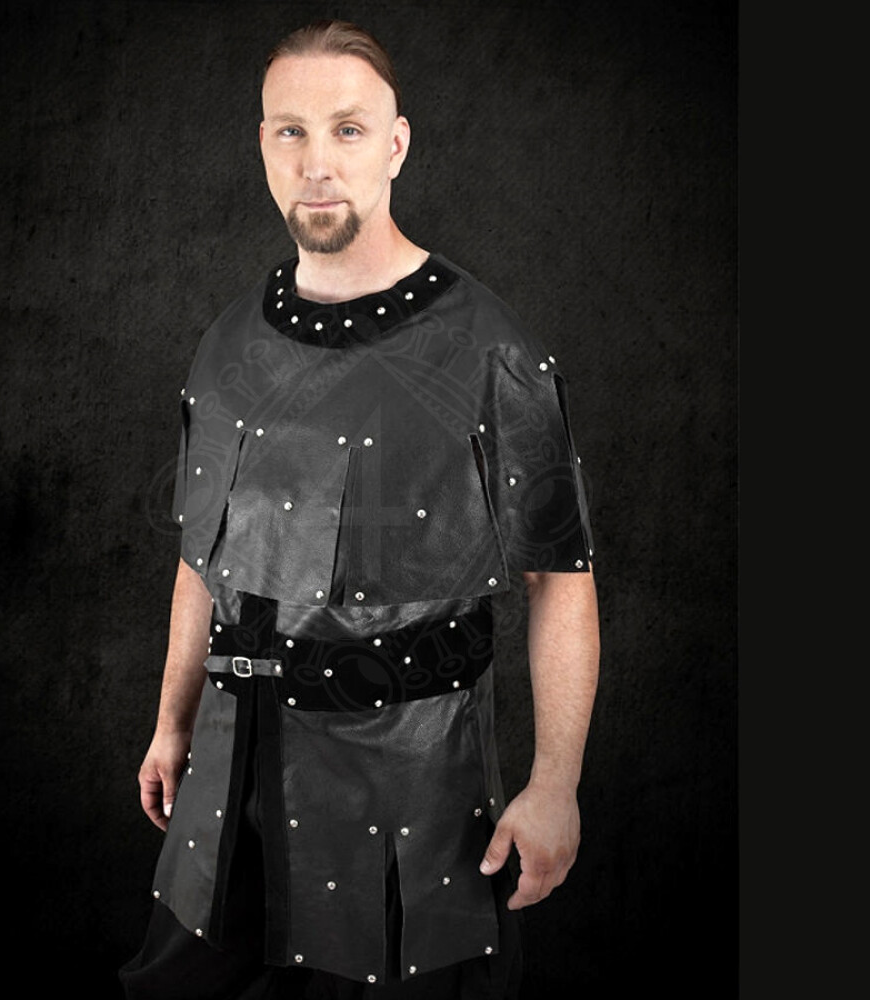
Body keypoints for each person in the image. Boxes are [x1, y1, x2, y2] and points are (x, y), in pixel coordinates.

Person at [120, 19, 600, 1000]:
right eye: (290, 131)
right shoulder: (226, 345)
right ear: (262, 146)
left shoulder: (490, 351)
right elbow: (202, 561)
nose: (317, 162)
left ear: (395, 145)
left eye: (346, 129)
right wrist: (172, 723)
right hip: (227, 789)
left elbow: (561, 580)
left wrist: (555, 784)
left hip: (409, 808)